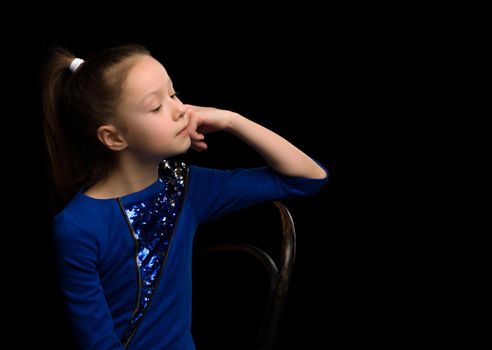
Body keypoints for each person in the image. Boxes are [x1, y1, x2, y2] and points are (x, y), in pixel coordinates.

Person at [41, 43, 328, 350]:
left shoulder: (185, 187)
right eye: (156, 107)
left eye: (173, 94)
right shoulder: (77, 227)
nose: (180, 109)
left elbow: (307, 178)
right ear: (113, 137)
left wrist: (232, 120)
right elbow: (97, 343)